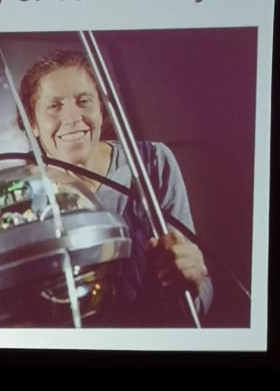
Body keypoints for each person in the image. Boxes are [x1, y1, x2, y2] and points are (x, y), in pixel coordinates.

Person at [17, 50, 212, 323]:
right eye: (55, 106)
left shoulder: (153, 162)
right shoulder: (21, 199)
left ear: (101, 110)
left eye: (84, 101)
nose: (73, 117)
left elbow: (195, 302)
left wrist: (195, 279)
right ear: (32, 124)